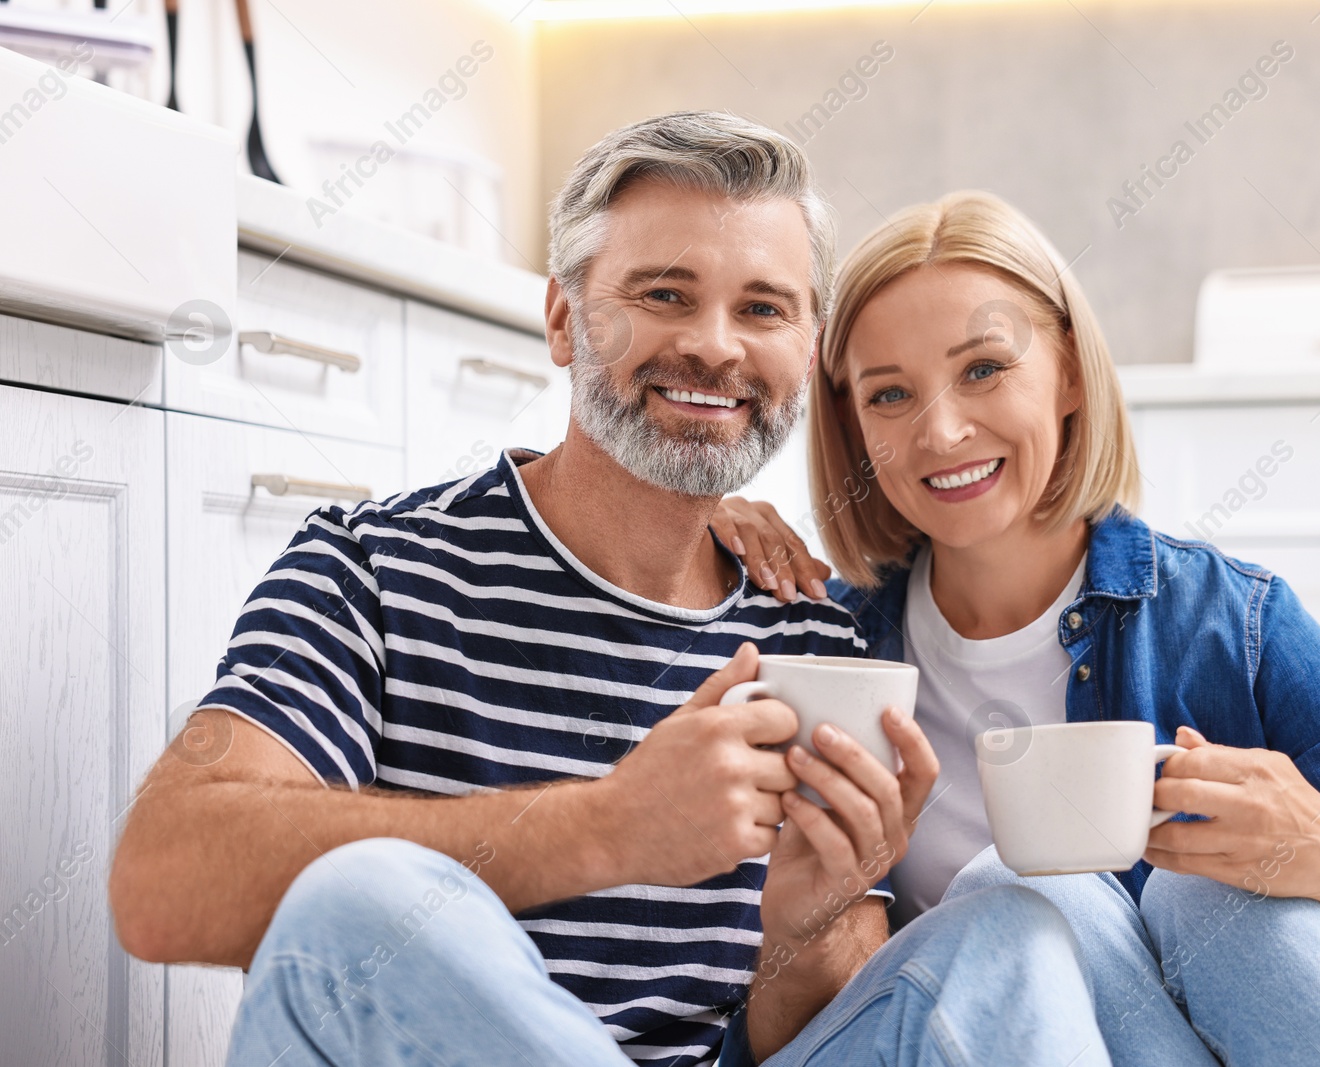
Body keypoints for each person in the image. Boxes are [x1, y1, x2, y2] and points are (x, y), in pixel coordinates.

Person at [108, 115, 1119, 1067]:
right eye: (664, 294)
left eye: (761, 308)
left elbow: (802, 1030)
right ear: (563, 318)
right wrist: (608, 825)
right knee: (361, 902)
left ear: (805, 356)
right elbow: (163, 878)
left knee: (1012, 930)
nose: (716, 345)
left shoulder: (816, 637)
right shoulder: (375, 569)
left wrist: (801, 927)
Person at [713, 190, 1320, 1062]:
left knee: (1205, 895)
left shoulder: (1231, 620)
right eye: (889, 395)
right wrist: (693, 530)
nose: (942, 430)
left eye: (984, 368)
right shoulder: (829, 651)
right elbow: (766, 1031)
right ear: (852, 423)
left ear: (1067, 370)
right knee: (1021, 889)